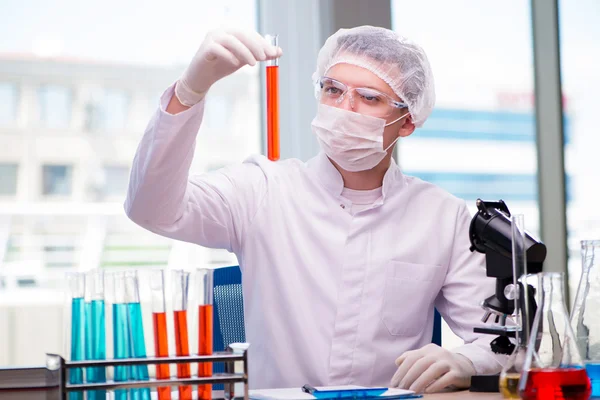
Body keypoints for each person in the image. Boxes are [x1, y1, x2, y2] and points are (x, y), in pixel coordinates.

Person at [125, 26, 506, 393]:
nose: (345, 108)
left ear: (406, 121)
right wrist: (189, 92)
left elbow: (503, 340)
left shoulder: (444, 218)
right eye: (333, 89)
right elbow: (151, 209)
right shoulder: (261, 189)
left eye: (369, 98)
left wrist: (467, 362)